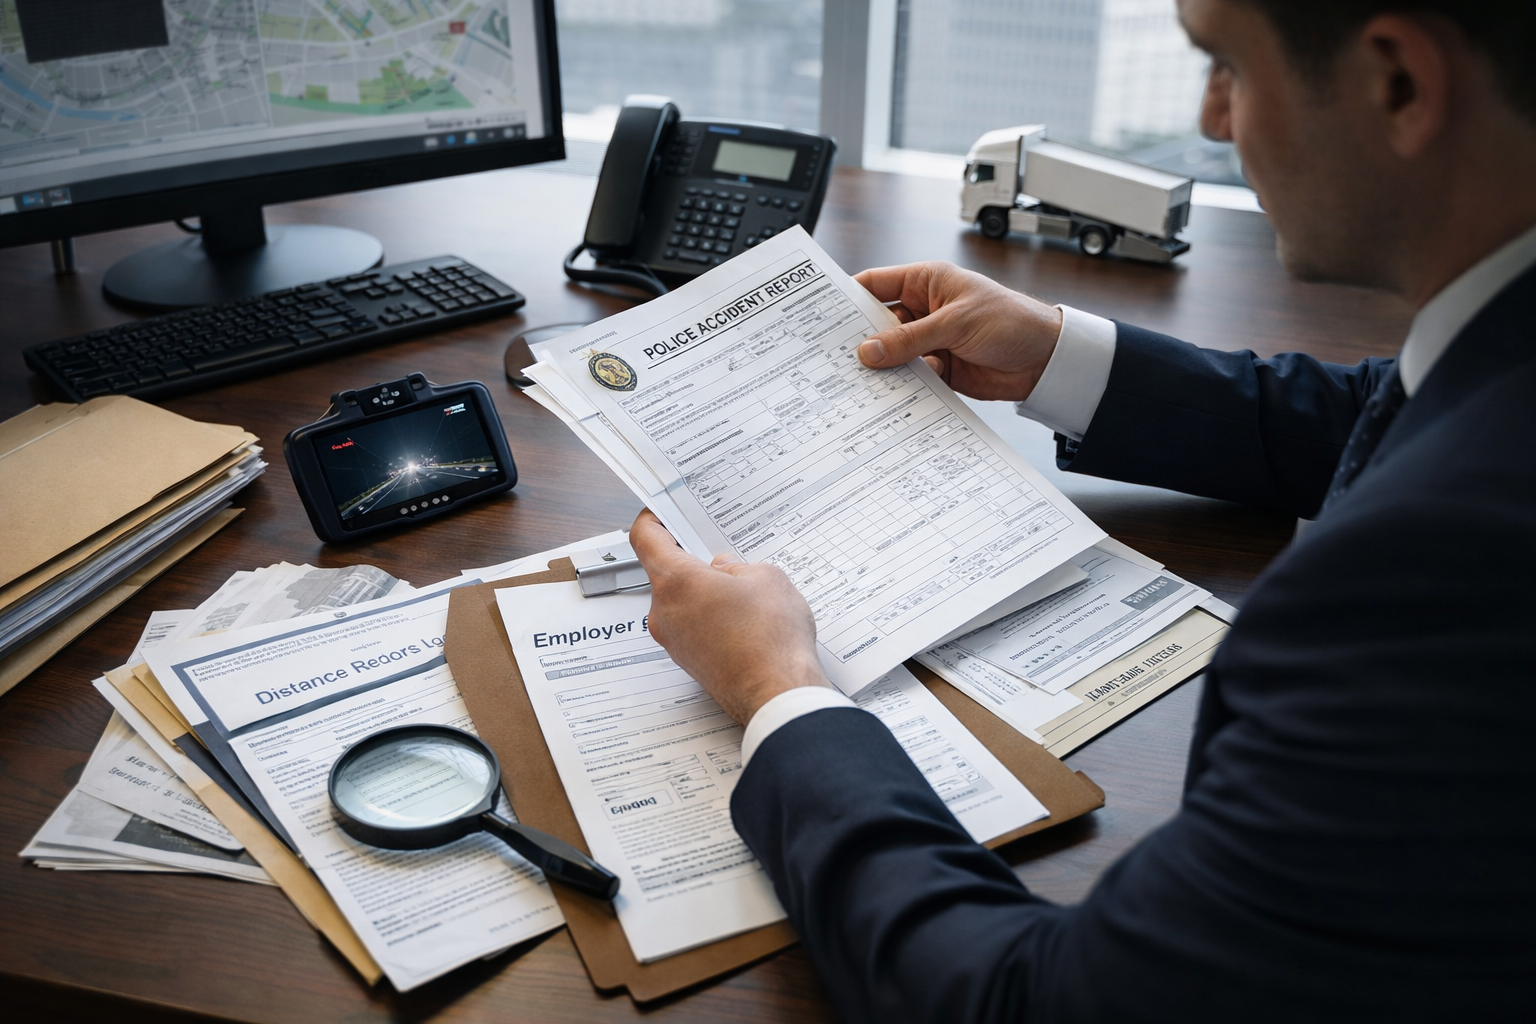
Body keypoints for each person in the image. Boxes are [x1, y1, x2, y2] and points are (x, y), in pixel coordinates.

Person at [628, 0, 1535, 1019]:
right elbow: (1391, 406)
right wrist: (1057, 352)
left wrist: (780, 691)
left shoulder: (1426, 590)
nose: (1212, 122)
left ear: (1398, 83)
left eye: (1227, 65)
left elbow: (1031, 1003)